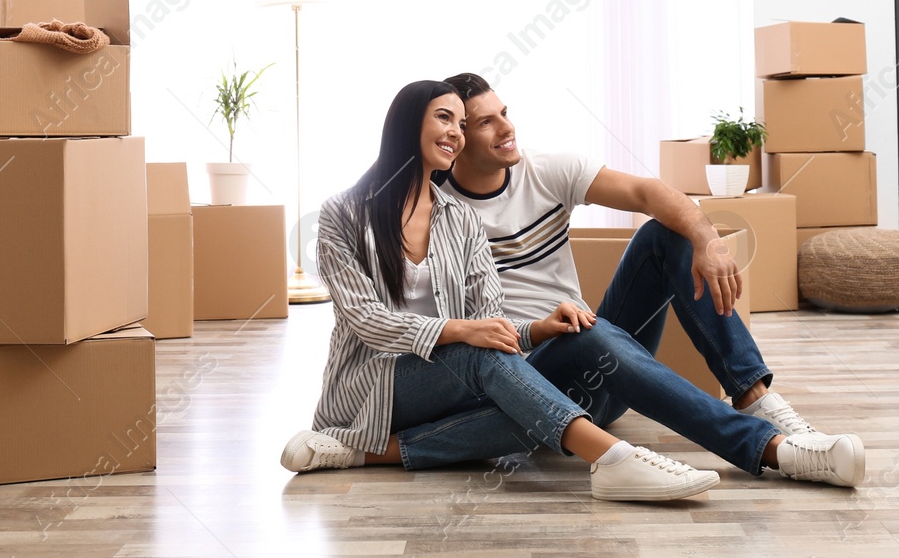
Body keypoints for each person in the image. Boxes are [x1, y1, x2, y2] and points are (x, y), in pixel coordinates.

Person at [281, 79, 720, 502]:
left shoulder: (460, 217)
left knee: (533, 385)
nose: (455, 132)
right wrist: (459, 331)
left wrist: (538, 330)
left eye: (460, 124)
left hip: (448, 383)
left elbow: (490, 322)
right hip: (372, 387)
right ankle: (612, 459)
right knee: (487, 358)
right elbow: (367, 322)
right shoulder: (343, 213)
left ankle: (365, 452)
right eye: (444, 118)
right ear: (407, 123)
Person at [422, 71, 866, 487]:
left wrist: (706, 238)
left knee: (663, 236)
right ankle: (776, 452)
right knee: (584, 334)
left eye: (505, 113)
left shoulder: (545, 171)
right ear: (457, 138)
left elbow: (646, 193)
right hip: (532, 386)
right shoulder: (437, 215)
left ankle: (757, 400)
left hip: (600, 368)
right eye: (486, 123)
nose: (506, 128)